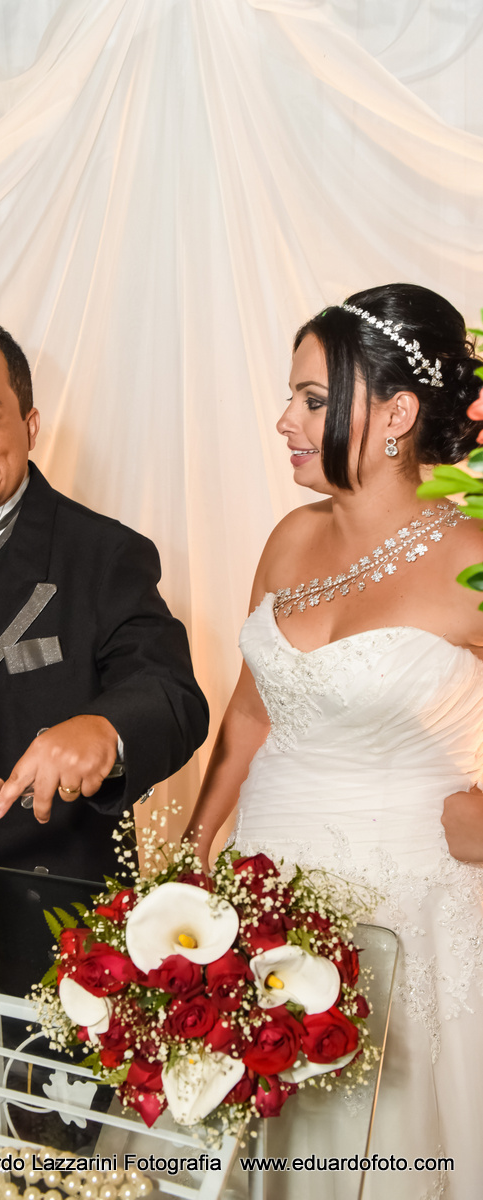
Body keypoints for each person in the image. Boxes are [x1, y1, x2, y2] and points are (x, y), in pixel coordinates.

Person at [185, 283, 483, 1200]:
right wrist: (194, 848)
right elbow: (248, 712)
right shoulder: (287, 540)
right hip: (265, 888)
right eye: (291, 396)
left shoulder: (471, 557)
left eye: (313, 399)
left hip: (408, 912)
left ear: (395, 413)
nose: (284, 420)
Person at [0, 320, 208, 880]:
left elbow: (173, 696)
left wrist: (105, 727)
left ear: (30, 426)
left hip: (58, 911)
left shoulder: (105, 551)